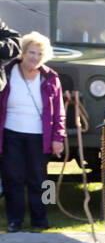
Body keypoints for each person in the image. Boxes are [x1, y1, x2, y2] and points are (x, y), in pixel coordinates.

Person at [1, 32, 66, 232]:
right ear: (23, 52)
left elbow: (59, 112)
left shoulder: (50, 77)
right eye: (31, 52)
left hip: (39, 135)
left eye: (39, 54)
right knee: (13, 177)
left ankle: (41, 218)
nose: (35, 58)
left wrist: (58, 138)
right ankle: (15, 220)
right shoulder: (7, 71)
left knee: (41, 179)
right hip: (11, 131)